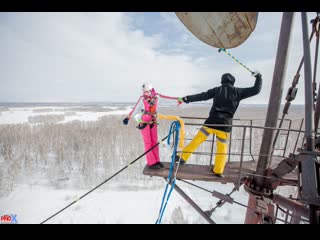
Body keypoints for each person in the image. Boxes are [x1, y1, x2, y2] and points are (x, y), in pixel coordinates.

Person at [176, 72, 262, 177]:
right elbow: (256, 90)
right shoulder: (238, 92)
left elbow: (202, 96)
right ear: (232, 82)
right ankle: (218, 170)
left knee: (197, 140)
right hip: (225, 126)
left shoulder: (217, 90)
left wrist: (186, 99)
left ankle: (182, 158)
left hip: (211, 122)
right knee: (222, 149)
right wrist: (258, 77)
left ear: (222, 81)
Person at [123, 83, 182, 170]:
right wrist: (128, 118)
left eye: (147, 91)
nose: (145, 93)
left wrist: (179, 99)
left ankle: (157, 160)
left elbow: (168, 98)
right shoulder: (142, 99)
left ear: (151, 90)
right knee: (148, 143)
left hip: (153, 121)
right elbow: (135, 109)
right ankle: (151, 162)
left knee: (154, 141)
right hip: (144, 121)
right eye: (144, 92)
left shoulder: (157, 97)